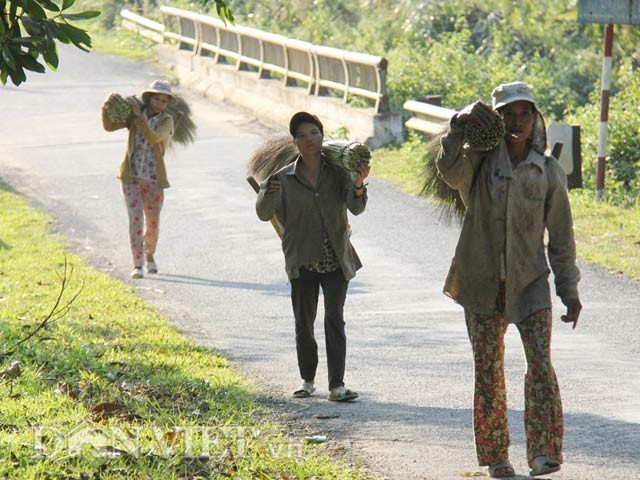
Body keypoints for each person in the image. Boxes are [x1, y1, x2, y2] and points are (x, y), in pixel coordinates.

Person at [435, 82, 582, 478]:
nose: (517, 122)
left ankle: (544, 453)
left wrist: (569, 291)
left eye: (524, 114)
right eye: (508, 114)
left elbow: (561, 239)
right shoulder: (478, 162)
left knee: (541, 367)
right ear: (497, 119)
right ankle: (496, 456)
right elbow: (448, 171)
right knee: (488, 370)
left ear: (535, 118)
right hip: (480, 280)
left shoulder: (547, 171)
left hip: (530, 283)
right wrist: (458, 124)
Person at [255, 112, 370, 402]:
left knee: (334, 318)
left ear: (322, 136)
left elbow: (356, 209)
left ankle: (337, 385)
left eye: (315, 133)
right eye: (303, 136)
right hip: (302, 259)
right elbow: (263, 213)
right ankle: (307, 380)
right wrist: (267, 193)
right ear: (294, 142)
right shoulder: (282, 178)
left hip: (336, 258)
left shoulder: (338, 172)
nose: (310, 140)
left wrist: (358, 184)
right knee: (304, 322)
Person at [101, 80, 175, 279]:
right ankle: (137, 263)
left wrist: (137, 116)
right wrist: (107, 106)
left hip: (153, 180)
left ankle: (149, 254)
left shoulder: (166, 121)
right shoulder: (135, 114)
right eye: (157, 99)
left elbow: (153, 138)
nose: (159, 103)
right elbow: (109, 126)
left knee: (152, 223)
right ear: (149, 98)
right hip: (131, 177)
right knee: (135, 221)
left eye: (164, 101)